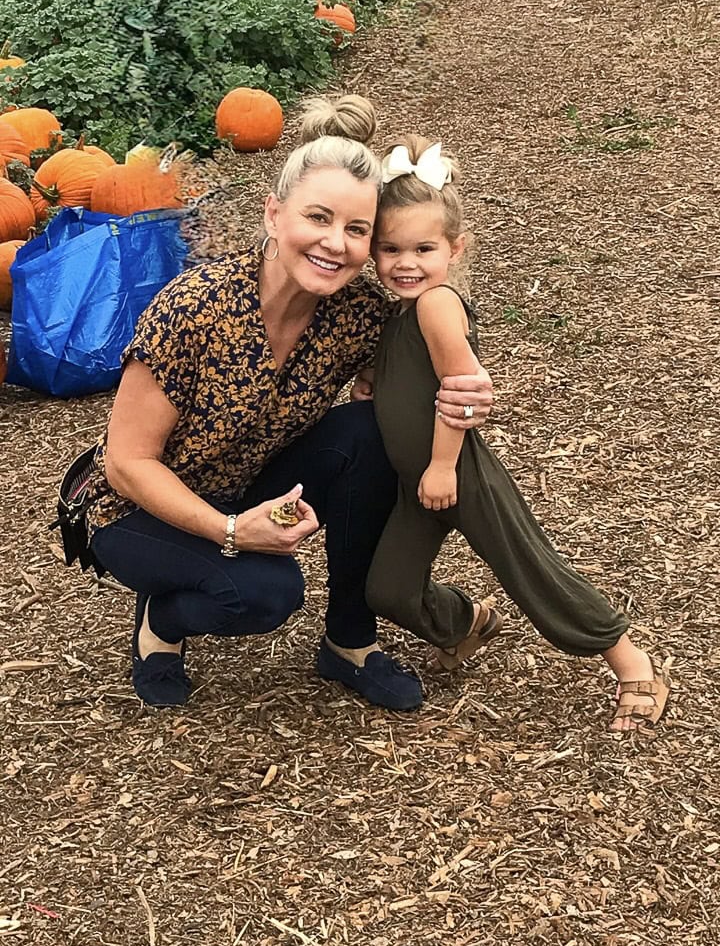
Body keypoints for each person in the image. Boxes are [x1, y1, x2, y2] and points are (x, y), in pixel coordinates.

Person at [83, 96, 493, 712]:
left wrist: (466, 384)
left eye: (357, 231)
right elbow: (126, 463)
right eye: (318, 218)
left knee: (365, 432)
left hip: (247, 483)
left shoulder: (356, 315)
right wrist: (229, 531)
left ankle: (349, 641)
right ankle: (162, 624)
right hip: (133, 506)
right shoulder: (196, 307)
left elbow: (426, 352)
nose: (336, 243)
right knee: (264, 594)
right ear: (275, 215)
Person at [363, 136, 670, 731]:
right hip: (417, 483)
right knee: (389, 589)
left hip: (458, 474)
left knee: (530, 570)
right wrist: (375, 379)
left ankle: (631, 659)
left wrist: (444, 467)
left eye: (423, 248)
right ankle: (464, 623)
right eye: (390, 248)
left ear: (455, 249)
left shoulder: (436, 304)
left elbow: (460, 387)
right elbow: (415, 375)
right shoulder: (403, 311)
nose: (405, 262)